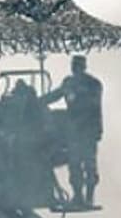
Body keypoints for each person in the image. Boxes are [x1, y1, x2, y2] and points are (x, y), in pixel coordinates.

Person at [43, 55, 103, 206]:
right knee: (74, 164)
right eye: (74, 65)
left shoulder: (93, 84)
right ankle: (78, 196)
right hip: (74, 132)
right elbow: (55, 95)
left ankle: (89, 197)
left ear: (83, 66)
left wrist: (95, 128)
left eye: (78, 65)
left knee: (89, 165)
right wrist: (38, 101)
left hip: (88, 130)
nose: (76, 68)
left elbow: (94, 106)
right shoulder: (69, 83)